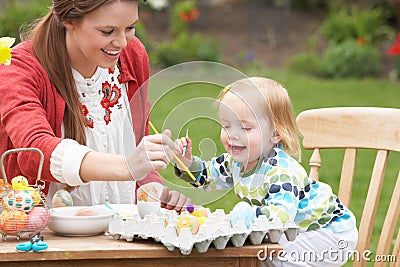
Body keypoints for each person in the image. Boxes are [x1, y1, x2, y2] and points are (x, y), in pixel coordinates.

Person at [0, 0, 190, 211]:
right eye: (107, 31)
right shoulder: (19, 69)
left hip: (119, 234)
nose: (122, 43)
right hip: (45, 236)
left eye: (130, 28)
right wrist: (127, 167)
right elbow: (35, 150)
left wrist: (154, 194)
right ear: (69, 20)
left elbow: (135, 147)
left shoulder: (132, 56)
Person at [174, 77, 358, 266]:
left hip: (329, 234)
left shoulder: (281, 172)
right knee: (255, 251)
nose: (232, 134)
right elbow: (208, 178)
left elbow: (279, 217)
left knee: (266, 256)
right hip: (298, 230)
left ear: (275, 133)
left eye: (245, 127)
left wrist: (247, 215)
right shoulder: (235, 163)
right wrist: (187, 164)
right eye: (226, 125)